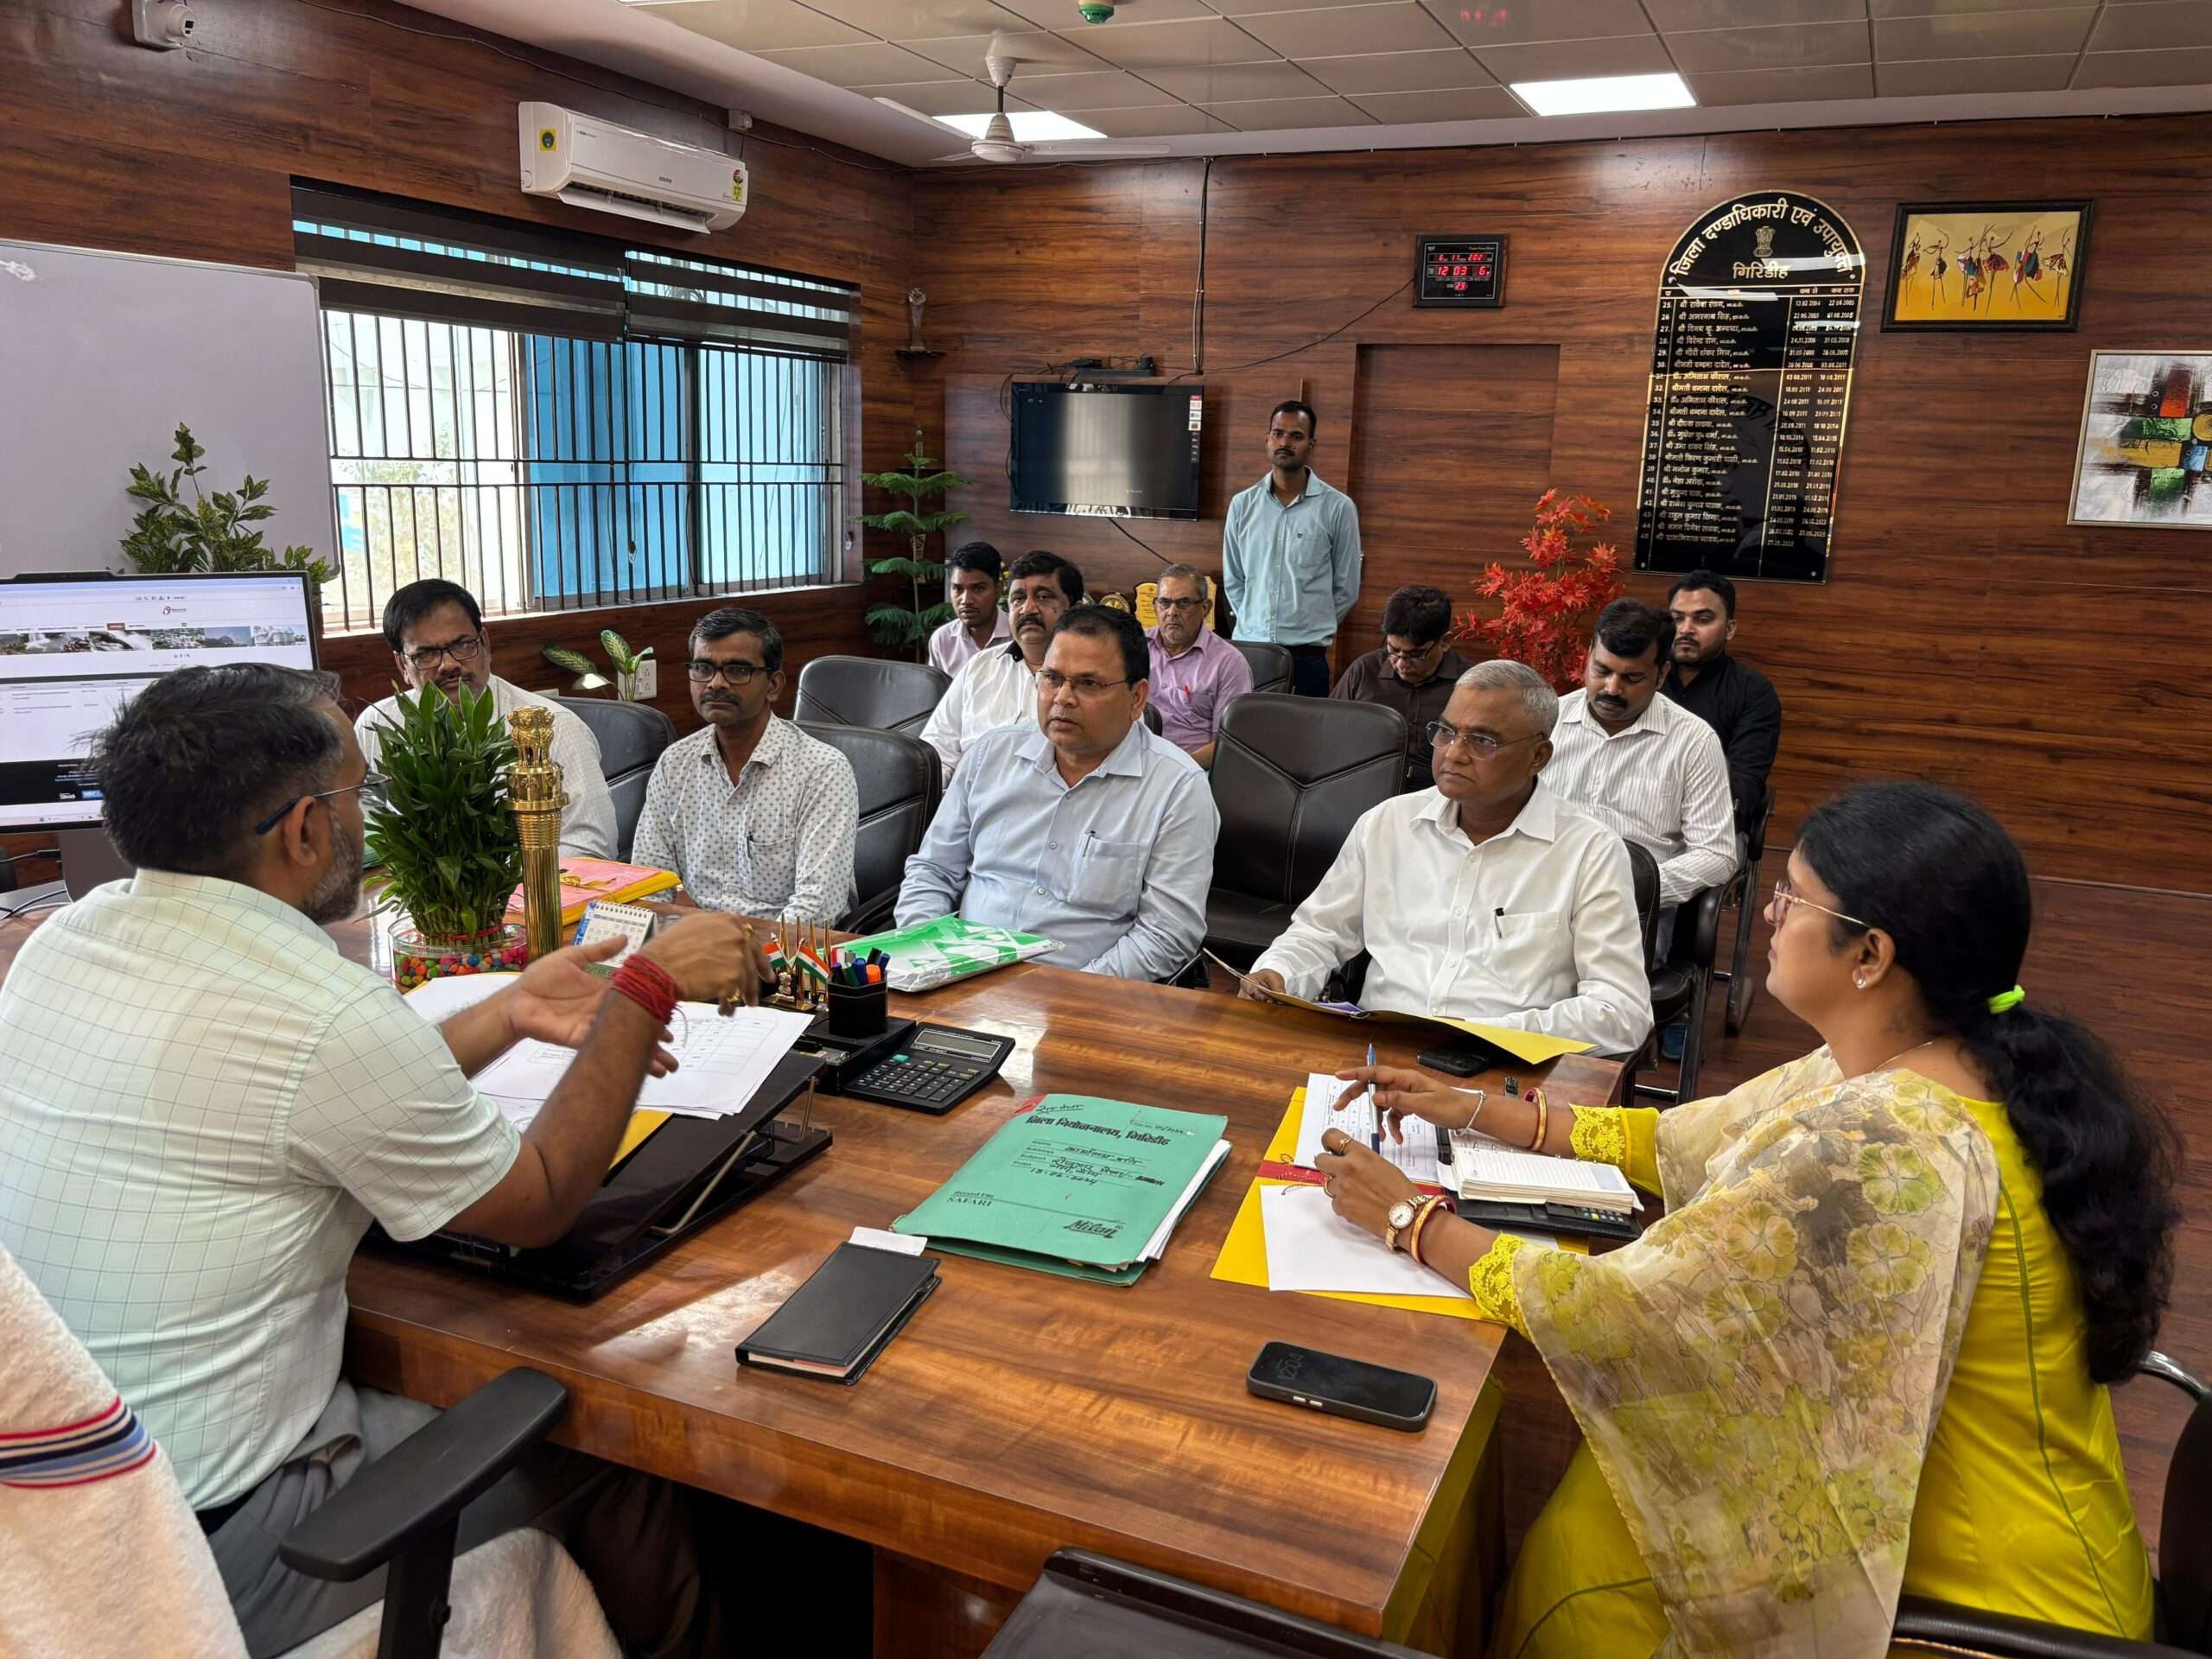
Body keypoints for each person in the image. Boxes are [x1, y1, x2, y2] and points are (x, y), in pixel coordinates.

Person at [0, 662, 774, 1659]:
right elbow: (537, 1201)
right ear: (303, 830)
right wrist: (646, 987)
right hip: (211, 1551)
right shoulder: (317, 1011)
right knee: (614, 1451)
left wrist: (508, 1009)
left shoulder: (61, 941)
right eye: (357, 793)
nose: (365, 819)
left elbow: (305, 1098)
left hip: (56, 1513)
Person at [1313, 781, 2175, 1657]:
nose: (1767, 913)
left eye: (1793, 898)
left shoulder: (1881, 1140)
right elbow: (1685, 1138)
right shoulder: (1938, 1058)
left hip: (1986, 1608)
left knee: (1578, 1569)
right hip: (2007, 1526)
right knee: (1595, 1503)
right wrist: (1478, 1109)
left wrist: (1410, 1218)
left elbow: (1619, 1313)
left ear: (1869, 953)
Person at [1242, 661, 1650, 1055]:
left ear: (1539, 757)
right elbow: (1320, 932)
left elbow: (1621, 1011)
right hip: (1376, 1054)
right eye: (1447, 732)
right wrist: (1280, 972)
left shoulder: (1589, 851)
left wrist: (1489, 1035)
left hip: (1505, 1065)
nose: (1454, 754)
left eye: (1482, 741)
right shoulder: (1388, 824)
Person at [897, 606, 1217, 982]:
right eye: (1051, 678)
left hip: (1087, 995)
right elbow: (933, 872)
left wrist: (1069, 995)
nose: (1063, 697)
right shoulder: (990, 755)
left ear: (1137, 698)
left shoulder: (1177, 787)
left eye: (1088, 684)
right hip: (958, 978)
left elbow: (1167, 934)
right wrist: (928, 957)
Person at [354, 579, 617, 860]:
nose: (449, 664)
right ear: (402, 666)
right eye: (426, 654)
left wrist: (501, 882)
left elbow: (592, 847)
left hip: (527, 885)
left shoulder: (553, 728)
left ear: (485, 644)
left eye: (463, 645)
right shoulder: (377, 726)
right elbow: (366, 828)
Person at [631, 607, 857, 924]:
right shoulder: (675, 764)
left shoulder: (821, 770)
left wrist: (742, 951)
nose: (715, 683)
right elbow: (649, 885)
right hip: (703, 941)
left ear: (773, 685)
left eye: (737, 670)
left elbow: (816, 909)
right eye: (703, 668)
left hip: (787, 947)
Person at [1546, 597, 1735, 911]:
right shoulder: (1546, 721)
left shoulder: (1694, 741)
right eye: (1602, 670)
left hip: (1635, 909)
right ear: (1588, 657)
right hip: (1542, 893)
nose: (1611, 689)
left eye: (1631, 678)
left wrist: (1632, 888)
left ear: (1661, 675)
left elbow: (1716, 855)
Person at [1222, 400, 1362, 697]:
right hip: (1251, 653)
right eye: (1278, 433)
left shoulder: (1338, 508)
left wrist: (1311, 625)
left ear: (1311, 444)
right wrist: (1253, 623)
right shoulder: (1242, 505)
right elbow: (1234, 580)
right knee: (1247, 727)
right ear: (1267, 439)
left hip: (1307, 658)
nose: (1285, 442)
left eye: (1296, 436)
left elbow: (1346, 589)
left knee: (1304, 729)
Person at [919, 550, 1081, 775]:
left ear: (1074, 611)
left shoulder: (1091, 679)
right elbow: (938, 751)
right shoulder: (980, 666)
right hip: (968, 792)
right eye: (1018, 599)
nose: (1027, 609)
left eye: (1043, 597)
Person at [1664, 568, 1782, 830]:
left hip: (1711, 824)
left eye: (1702, 619)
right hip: (1634, 816)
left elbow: (1745, 787)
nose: (1685, 629)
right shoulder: (1644, 680)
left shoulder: (1753, 692)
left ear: (1729, 629)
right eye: (1677, 619)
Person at [1328, 584, 1476, 792]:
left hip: (1436, 792)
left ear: (1444, 642)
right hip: (1363, 784)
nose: (1401, 664)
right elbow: (1330, 735)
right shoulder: (1364, 671)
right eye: (1393, 650)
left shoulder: (1470, 685)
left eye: (1415, 655)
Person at [1146, 563, 1251, 769]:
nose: (1172, 612)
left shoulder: (1229, 663)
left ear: (1205, 608)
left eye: (1184, 603)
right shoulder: (1134, 646)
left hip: (1192, 770)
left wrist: (1175, 769)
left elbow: (1228, 743)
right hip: (1133, 762)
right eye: (1165, 602)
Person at [926, 541, 1010, 677]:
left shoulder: (1019, 637)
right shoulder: (943, 640)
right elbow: (937, 690)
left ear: (998, 589)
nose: (966, 600)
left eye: (978, 589)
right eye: (958, 589)